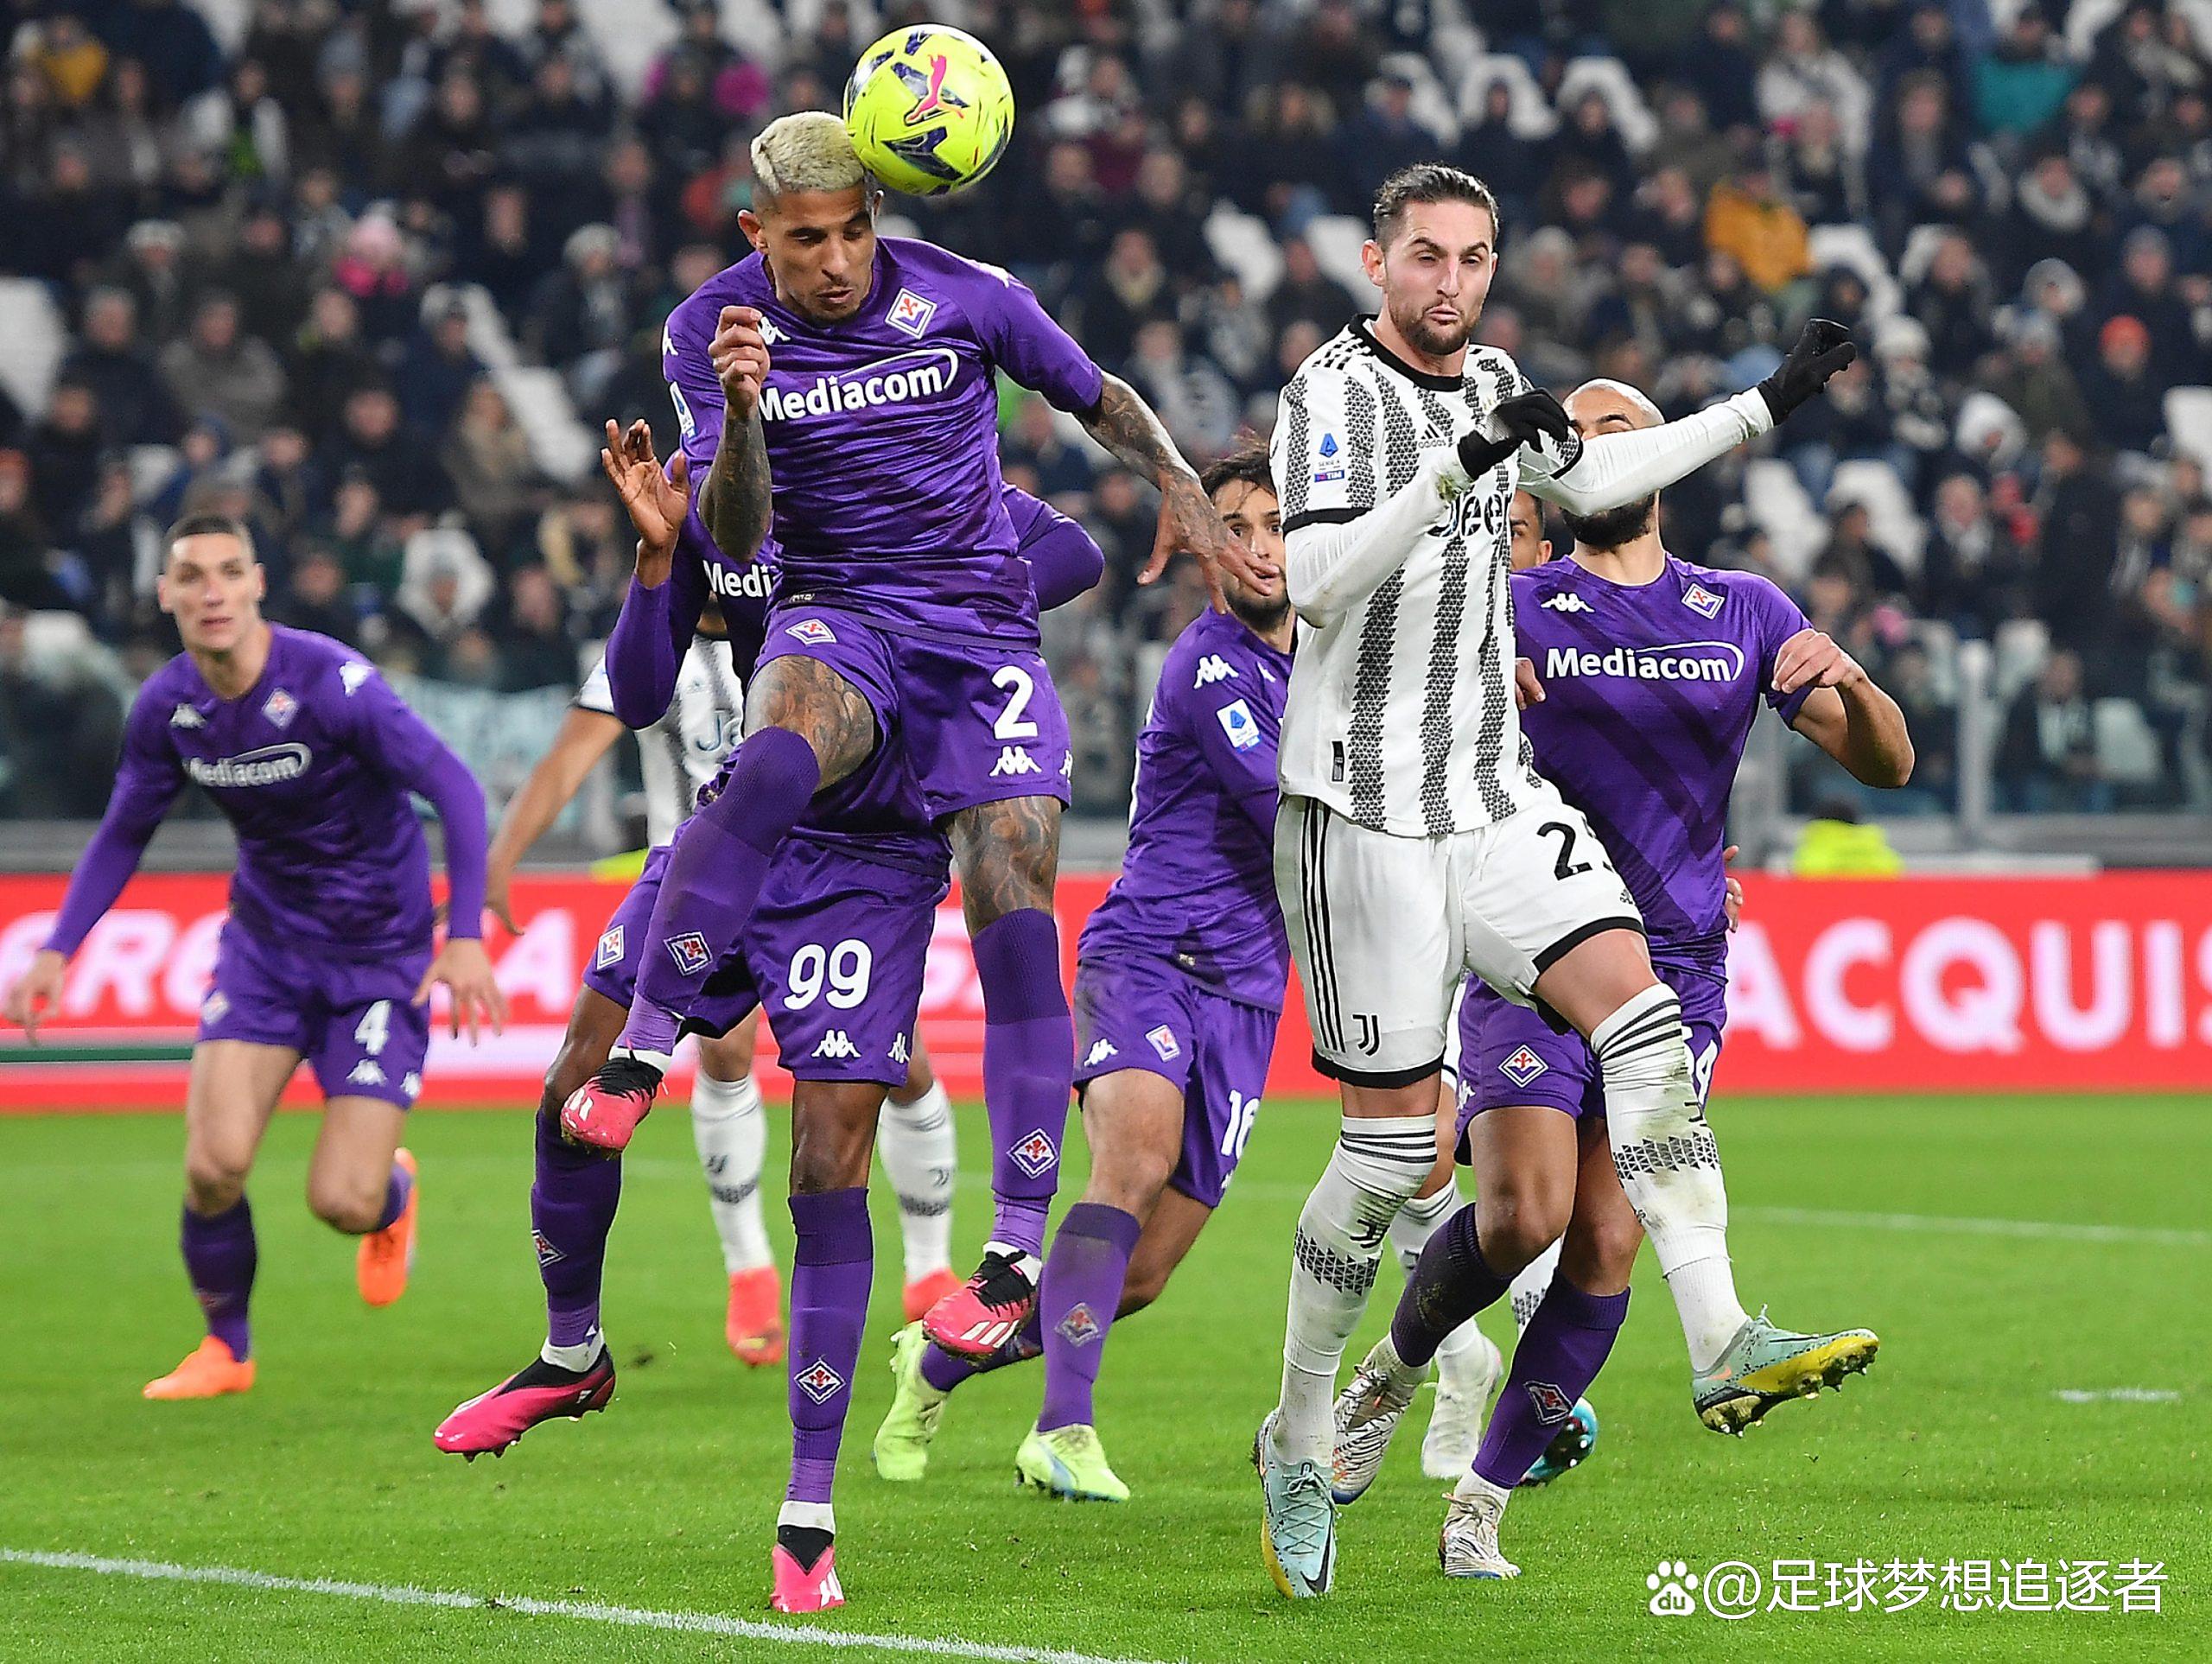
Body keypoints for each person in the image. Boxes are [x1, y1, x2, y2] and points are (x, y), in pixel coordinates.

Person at [563, 112, 1254, 1372]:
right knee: (773, 751)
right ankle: (644, 1052)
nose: (836, 264)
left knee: (1013, 887)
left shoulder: (968, 297)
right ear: (755, 233)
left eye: (856, 233)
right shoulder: (708, 328)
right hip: (837, 610)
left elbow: (1098, 397)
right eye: (808, 240)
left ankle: (1015, 1238)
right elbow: (732, 529)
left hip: (978, 635)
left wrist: (1186, 488)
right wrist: (742, 408)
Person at [1252, 162, 1857, 1598]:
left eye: (1472, 258)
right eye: (1425, 258)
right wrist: (1462, 470)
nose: (1450, 283)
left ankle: (1720, 1332)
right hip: (1362, 814)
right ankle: (1296, 1428)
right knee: (1395, 1157)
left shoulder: (1501, 373)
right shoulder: (1329, 400)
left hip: (1489, 793)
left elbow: (1595, 476)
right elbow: (1320, 580)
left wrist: (1762, 404)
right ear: (1374, 260)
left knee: (1641, 1016)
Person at [437, 423, 1106, 1616]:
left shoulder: (926, 471)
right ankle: (574, 1349)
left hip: (871, 867)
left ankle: (807, 1508)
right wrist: (659, 566)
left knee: (827, 1158)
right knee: (571, 1086)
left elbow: (1076, 552)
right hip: (735, 836)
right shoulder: (732, 494)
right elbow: (638, 687)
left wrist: (920, 584)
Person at [1342, 378, 1915, 1578]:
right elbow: (1398, 731)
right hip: (1535, 950)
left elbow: (1891, 765)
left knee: (1602, 1246)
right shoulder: (1508, 608)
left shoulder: (1743, 607)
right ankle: (1387, 1377)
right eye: (1587, 437)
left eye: (1626, 433)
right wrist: (1475, 688)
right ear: (1553, 475)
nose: (1609, 452)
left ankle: (1478, 1509)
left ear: (1666, 458)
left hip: (1682, 969)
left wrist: (1851, 678)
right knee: (1523, 1214)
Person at [872, 441, 1313, 1501]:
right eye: (1236, 528)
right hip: (1149, 958)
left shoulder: (1329, 669)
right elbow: (1295, 818)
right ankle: (1062, 1431)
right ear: (1206, 547)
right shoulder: (1206, 665)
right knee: (1133, 1162)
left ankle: (935, 1360)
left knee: (1144, 1272)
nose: (1259, 551)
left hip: (1251, 994)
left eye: (1277, 529)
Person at [2, 514, 503, 1399]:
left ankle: (390, 1191)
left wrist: (463, 937)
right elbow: (125, 831)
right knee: (213, 1164)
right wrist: (58, 948)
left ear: (257, 583)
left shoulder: (333, 682)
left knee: (341, 1203)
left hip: (380, 958)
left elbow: (455, 789)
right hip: (265, 953)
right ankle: (226, 1349)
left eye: (227, 572)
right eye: (190, 575)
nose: (210, 592)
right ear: (165, 594)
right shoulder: (167, 708)